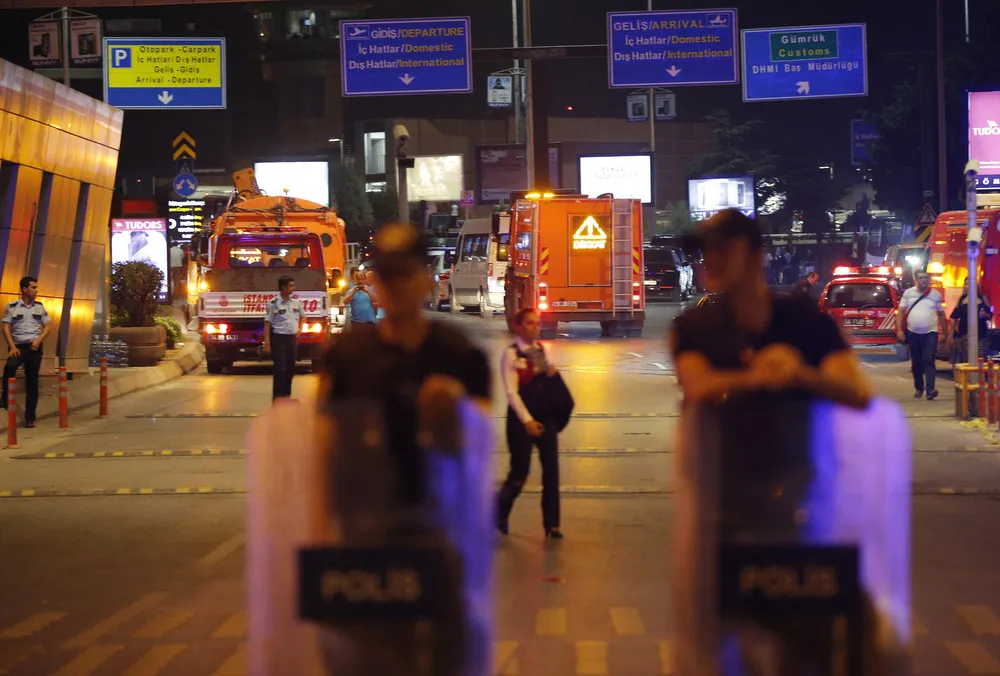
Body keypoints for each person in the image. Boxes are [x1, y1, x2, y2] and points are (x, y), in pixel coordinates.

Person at [320, 222, 492, 508]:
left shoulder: (460, 354)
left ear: (427, 279)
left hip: (439, 515)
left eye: (404, 274)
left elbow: (479, 453)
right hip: (366, 518)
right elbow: (324, 447)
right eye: (387, 276)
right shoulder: (346, 356)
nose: (395, 285)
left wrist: (454, 413)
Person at [670, 209, 870, 409]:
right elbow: (696, 386)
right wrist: (758, 376)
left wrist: (800, 374)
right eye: (706, 251)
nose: (711, 260)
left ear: (756, 257)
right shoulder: (694, 326)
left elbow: (857, 393)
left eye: (723, 251)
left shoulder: (806, 318)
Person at [496, 308, 563, 539]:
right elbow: (511, 393)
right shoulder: (511, 355)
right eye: (530, 323)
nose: (535, 327)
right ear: (519, 327)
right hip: (520, 421)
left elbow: (546, 385)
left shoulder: (540, 352)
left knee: (552, 472)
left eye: (537, 323)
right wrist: (527, 421)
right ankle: (500, 512)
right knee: (520, 472)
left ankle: (552, 525)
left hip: (544, 419)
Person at [1, 277, 53, 428]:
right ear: (24, 289)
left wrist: (38, 340)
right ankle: (4, 399)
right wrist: (11, 346)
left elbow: (48, 325)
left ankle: (30, 417)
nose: (36, 290)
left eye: (36, 288)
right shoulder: (12, 306)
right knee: (10, 367)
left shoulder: (39, 307)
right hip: (17, 346)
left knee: (32, 381)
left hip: (34, 347)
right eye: (33, 287)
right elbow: (5, 327)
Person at [896, 270, 947, 400]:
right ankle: (919, 387)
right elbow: (901, 312)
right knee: (917, 363)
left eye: (926, 278)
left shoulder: (935, 295)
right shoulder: (908, 293)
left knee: (929, 359)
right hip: (913, 333)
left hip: (930, 333)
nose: (924, 280)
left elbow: (941, 314)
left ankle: (930, 390)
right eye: (921, 278)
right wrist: (899, 330)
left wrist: (945, 333)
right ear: (916, 280)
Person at [262, 276, 303, 401]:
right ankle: (278, 399)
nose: (293, 288)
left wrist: (300, 328)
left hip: (291, 340)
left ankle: (286, 397)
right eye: (290, 286)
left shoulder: (296, 302)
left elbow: (303, 316)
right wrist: (267, 343)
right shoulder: (273, 303)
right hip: (279, 339)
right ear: (283, 288)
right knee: (280, 369)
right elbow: (267, 323)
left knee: (291, 369)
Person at [950, 277, 991, 363]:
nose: (969, 286)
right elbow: (954, 317)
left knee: (980, 359)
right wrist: (951, 334)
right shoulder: (961, 300)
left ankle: (979, 376)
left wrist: (985, 315)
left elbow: (990, 315)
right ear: (964, 286)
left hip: (981, 335)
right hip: (965, 335)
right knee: (968, 361)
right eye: (967, 284)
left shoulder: (983, 299)